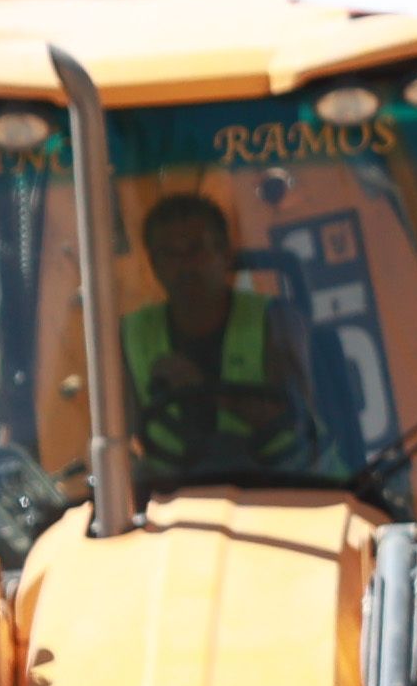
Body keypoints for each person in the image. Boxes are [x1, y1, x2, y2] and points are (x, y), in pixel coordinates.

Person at [118, 189, 332, 486]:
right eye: (170, 254)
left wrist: (203, 388)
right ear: (154, 265)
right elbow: (117, 437)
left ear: (225, 254)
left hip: (290, 484)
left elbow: (296, 424)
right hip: (176, 497)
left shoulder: (276, 320)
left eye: (195, 250)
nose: (184, 266)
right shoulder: (131, 333)